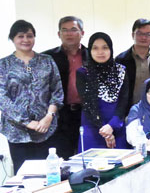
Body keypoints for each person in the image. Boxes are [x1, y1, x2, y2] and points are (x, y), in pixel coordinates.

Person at [0, 20, 63, 172]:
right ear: (12, 39)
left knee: (49, 173)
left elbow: (57, 91)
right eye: (20, 36)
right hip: (17, 132)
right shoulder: (4, 65)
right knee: (23, 175)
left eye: (29, 36)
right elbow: (2, 98)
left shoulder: (46, 61)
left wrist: (48, 117)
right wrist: (27, 122)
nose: (26, 40)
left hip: (46, 129)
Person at [43, 16, 87, 159]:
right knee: (62, 157)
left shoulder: (91, 55)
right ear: (58, 34)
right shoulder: (48, 57)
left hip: (86, 113)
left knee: (86, 156)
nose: (69, 34)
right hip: (60, 115)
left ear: (82, 33)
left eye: (74, 30)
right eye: (65, 30)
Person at [77, 32, 130, 151]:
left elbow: (123, 101)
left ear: (111, 49)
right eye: (95, 48)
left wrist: (112, 126)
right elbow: (87, 104)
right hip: (92, 128)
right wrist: (104, 130)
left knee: (119, 167)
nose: (100, 52)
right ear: (89, 50)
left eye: (105, 47)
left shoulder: (121, 71)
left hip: (117, 126)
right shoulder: (82, 73)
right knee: (92, 168)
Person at [115, 18, 150, 107]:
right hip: (128, 110)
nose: (143, 37)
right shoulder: (120, 60)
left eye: (148, 34)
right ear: (132, 35)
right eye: (140, 33)